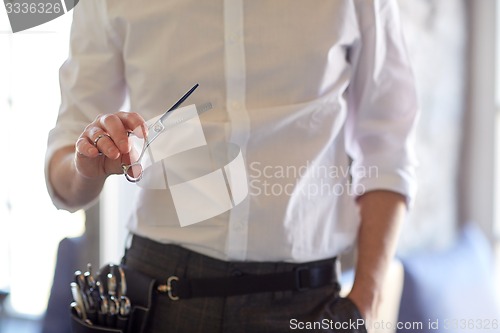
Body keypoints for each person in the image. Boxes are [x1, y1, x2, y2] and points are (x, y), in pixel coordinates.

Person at [45, 0, 418, 332]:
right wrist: (85, 164)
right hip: (160, 297)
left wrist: (367, 305)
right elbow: (65, 171)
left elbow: (389, 148)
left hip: (309, 302)